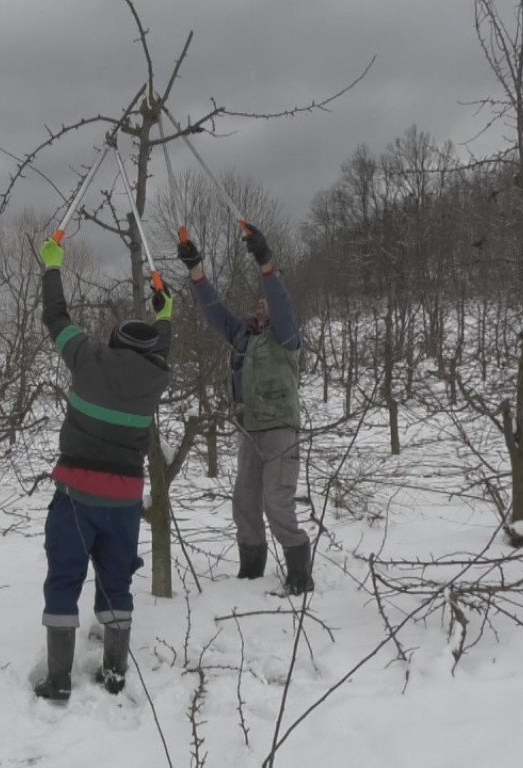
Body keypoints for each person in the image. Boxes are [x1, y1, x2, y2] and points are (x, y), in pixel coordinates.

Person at [33, 237, 172, 702]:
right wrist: (166, 312)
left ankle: (59, 678)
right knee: (116, 581)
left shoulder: (87, 358)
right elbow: (162, 345)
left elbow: (56, 318)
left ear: (113, 342)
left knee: (64, 578)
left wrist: (53, 268)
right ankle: (114, 671)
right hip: (125, 504)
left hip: (76, 497)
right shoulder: (156, 378)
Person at [177, 224, 314, 595]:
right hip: (249, 430)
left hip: (280, 430)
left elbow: (280, 301)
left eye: (267, 299)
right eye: (260, 299)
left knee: (277, 503)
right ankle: (251, 574)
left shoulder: (286, 336)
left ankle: (300, 576)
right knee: (245, 504)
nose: (261, 302)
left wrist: (265, 262)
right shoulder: (244, 334)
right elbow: (214, 311)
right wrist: (196, 271)